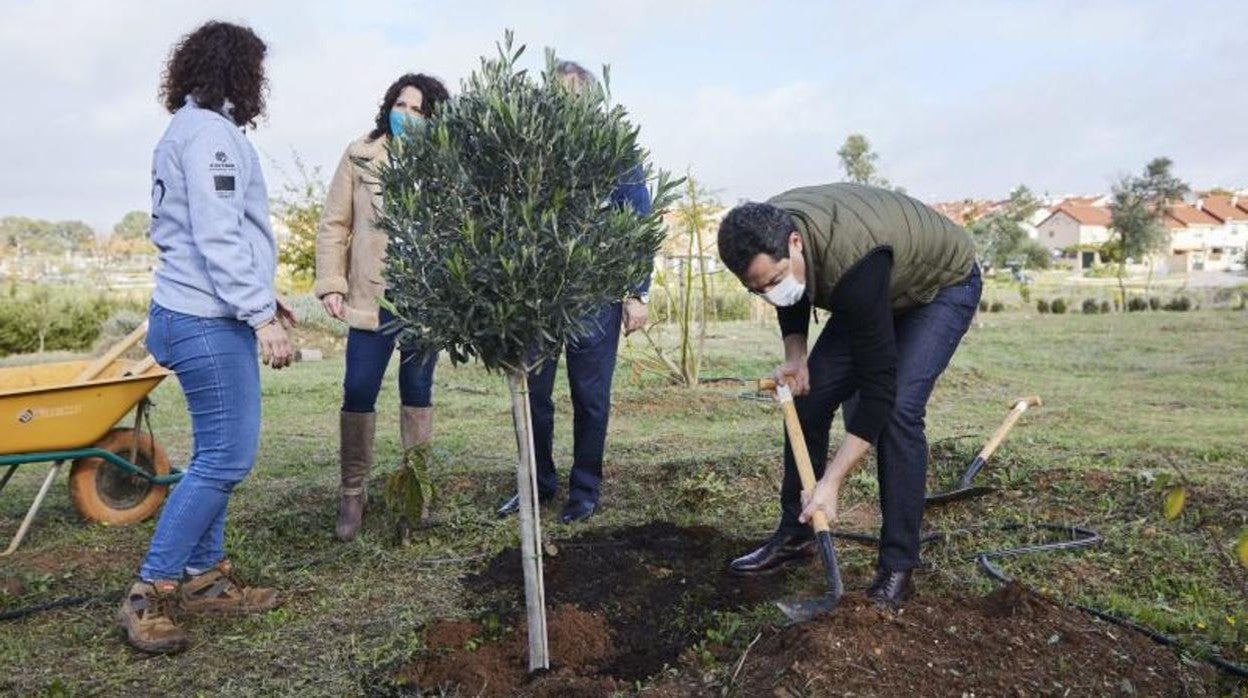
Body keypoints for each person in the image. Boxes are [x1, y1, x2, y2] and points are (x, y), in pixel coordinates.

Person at [716, 183, 981, 608]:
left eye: (776, 280)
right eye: (758, 289)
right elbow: (791, 291)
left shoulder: (852, 263)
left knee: (898, 413)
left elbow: (879, 387)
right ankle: (796, 534)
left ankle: (898, 566)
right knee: (809, 395)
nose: (770, 292)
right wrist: (796, 356)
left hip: (941, 286)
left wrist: (831, 483)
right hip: (881, 281)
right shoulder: (768, 230)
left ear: (795, 242)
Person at [119, 21, 295, 654]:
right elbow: (216, 237)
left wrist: (262, 292)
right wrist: (261, 317)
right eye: (257, 71)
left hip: (191, 308)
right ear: (240, 72)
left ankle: (205, 580)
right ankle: (152, 588)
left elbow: (207, 232)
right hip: (204, 319)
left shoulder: (188, 129)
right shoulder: (212, 138)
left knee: (216, 453)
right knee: (228, 457)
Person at [495, 60, 652, 524]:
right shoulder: (529, 147)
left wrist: (635, 292)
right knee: (533, 395)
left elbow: (637, 223)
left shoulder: (614, 151)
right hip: (538, 296)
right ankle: (537, 483)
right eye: (558, 94)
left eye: (575, 95)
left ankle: (585, 490)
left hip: (595, 294)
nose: (566, 103)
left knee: (590, 397)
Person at [315, 73, 450, 542]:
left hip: (421, 304)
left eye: (418, 111)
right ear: (387, 106)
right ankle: (353, 493)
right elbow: (334, 223)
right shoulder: (360, 154)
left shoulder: (445, 163)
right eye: (401, 105)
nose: (407, 115)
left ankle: (417, 491)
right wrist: (332, 283)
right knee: (358, 390)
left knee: (417, 391)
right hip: (371, 300)